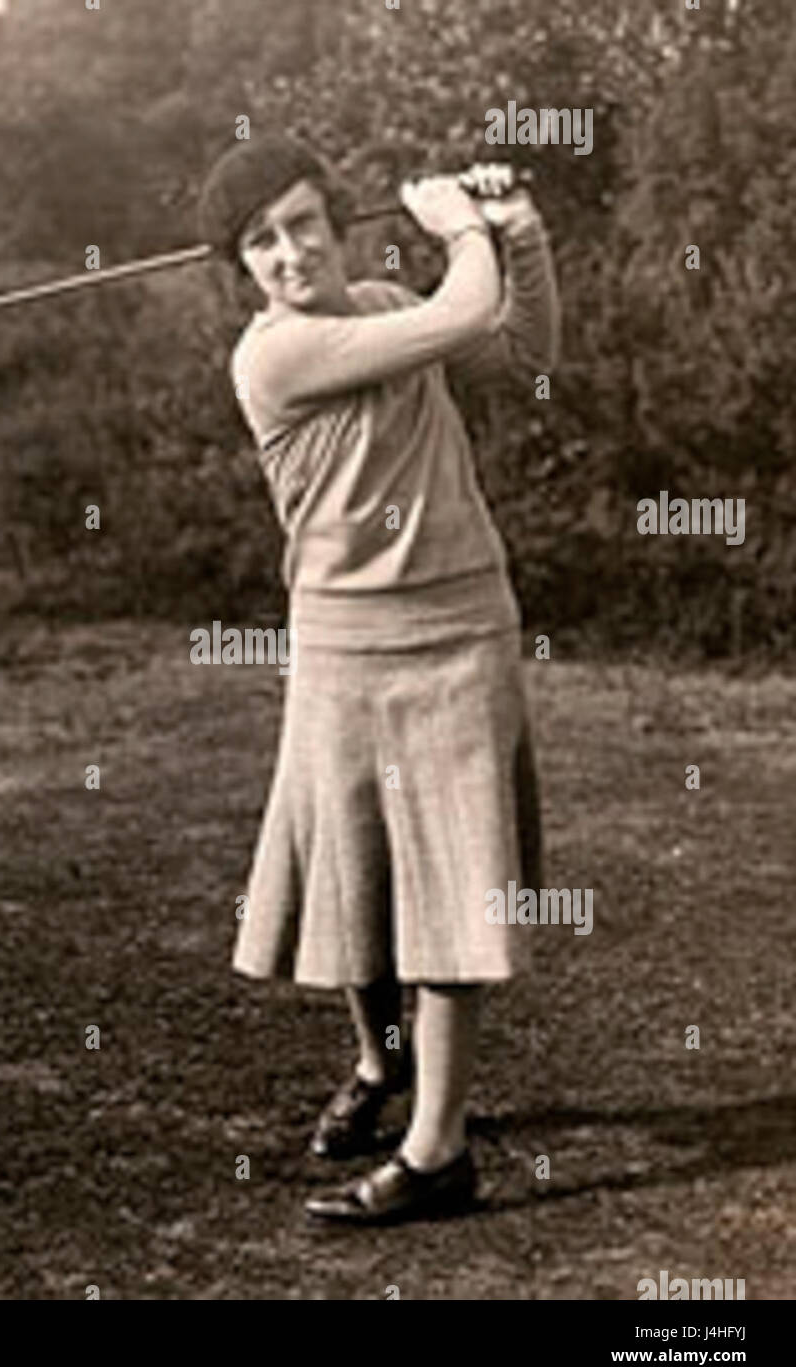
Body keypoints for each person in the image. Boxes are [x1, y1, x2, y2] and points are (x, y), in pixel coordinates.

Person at [198, 135, 559, 1224]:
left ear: (337, 222)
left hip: (458, 626)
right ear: (241, 265)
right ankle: (379, 1059)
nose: (288, 250)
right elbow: (458, 315)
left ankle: (438, 1147)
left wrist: (521, 240)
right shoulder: (271, 356)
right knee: (353, 874)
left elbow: (519, 353)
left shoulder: (377, 302)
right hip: (342, 639)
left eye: (304, 222)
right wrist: (460, 228)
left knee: (450, 882)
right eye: (260, 239)